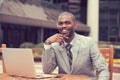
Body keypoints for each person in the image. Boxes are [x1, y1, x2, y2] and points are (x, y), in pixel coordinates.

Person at [42, 12, 109, 80]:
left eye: (67, 23)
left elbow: (103, 69)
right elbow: (47, 70)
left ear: (75, 25)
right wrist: (47, 43)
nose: (63, 26)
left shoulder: (89, 42)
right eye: (60, 23)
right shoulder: (54, 45)